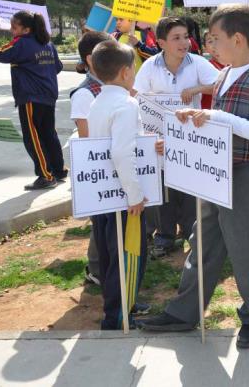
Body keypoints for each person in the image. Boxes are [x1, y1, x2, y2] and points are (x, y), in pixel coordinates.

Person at [138, 5, 249, 350]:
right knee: (202, 245)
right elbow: (214, 120)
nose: (209, 46)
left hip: (244, 174)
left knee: (246, 249)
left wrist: (215, 116)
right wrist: (189, 121)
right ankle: (184, 312)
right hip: (213, 172)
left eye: (215, 39)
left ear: (239, 39)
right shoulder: (224, 74)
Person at [133, 17, 220, 257]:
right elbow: (138, 100)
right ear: (161, 43)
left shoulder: (198, 63)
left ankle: (193, 234)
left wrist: (195, 90)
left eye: (186, 36)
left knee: (191, 186)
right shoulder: (150, 66)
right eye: (176, 38)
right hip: (159, 139)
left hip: (190, 137)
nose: (184, 42)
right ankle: (165, 236)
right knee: (164, 188)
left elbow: (220, 84)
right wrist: (150, 138)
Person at [87, 40, 156, 329]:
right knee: (127, 256)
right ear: (127, 72)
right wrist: (135, 195)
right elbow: (121, 152)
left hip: (104, 197)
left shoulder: (97, 100)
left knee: (109, 255)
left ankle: (120, 305)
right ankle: (117, 317)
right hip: (124, 197)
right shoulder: (126, 105)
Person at [0, 11, 66, 190]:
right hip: (48, 96)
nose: (12, 31)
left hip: (30, 97)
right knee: (48, 134)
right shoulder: (48, 44)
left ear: (27, 29)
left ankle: (45, 176)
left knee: (33, 138)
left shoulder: (22, 43)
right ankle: (58, 171)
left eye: (14, 27)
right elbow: (57, 67)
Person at [70, 31, 110, 286]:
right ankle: (96, 268)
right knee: (101, 223)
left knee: (109, 222)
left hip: (112, 164)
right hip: (100, 168)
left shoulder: (110, 85)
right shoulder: (84, 93)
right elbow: (87, 138)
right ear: (90, 59)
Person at [200, 29, 227, 110]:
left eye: (217, 39)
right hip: (208, 115)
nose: (215, 44)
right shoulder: (204, 66)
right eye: (210, 41)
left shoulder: (234, 65)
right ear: (205, 48)